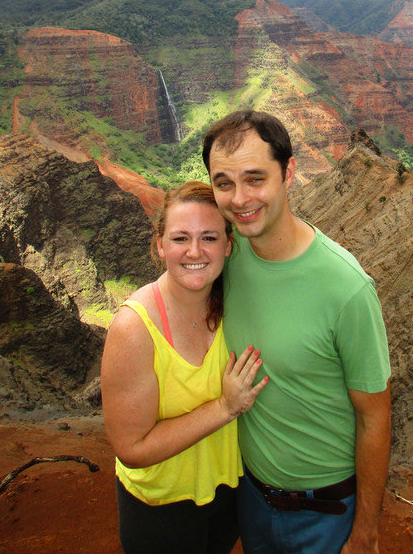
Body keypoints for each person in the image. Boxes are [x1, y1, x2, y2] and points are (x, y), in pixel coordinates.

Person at [202, 111, 391, 554]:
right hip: (252, 502)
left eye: (255, 178)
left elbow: (375, 415)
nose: (240, 198)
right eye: (223, 183)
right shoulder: (226, 259)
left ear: (288, 172)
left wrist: (365, 533)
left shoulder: (346, 289)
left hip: (327, 515)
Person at [101, 181, 268, 554]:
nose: (195, 251)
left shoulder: (237, 308)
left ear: (228, 245)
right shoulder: (134, 327)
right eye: (180, 239)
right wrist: (225, 408)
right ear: (160, 245)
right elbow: (132, 448)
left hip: (227, 495)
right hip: (160, 511)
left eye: (209, 238)